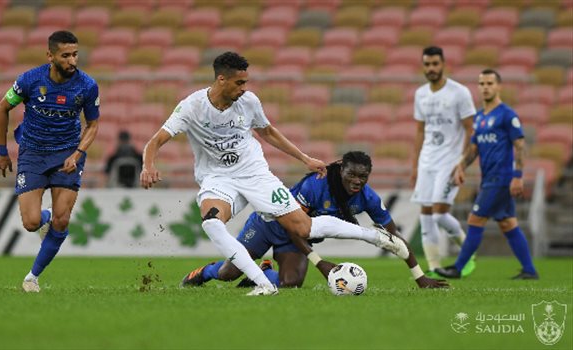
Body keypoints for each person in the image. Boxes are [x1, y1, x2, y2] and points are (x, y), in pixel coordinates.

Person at [140, 52, 410, 296]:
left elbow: (267, 132)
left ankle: (374, 236)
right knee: (212, 222)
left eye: (246, 82)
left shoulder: (249, 102)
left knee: (304, 227)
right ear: (221, 80)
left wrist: (304, 158)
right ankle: (264, 284)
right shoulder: (191, 106)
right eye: (239, 83)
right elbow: (155, 141)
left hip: (256, 174)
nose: (244, 88)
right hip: (218, 178)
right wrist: (148, 165)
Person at [180, 151, 449, 289]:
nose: (357, 181)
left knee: (290, 284)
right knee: (229, 274)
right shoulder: (316, 186)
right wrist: (319, 263)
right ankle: (205, 272)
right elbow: (294, 225)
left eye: (363, 177)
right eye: (352, 174)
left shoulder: (367, 198)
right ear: (341, 169)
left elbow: (394, 237)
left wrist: (420, 276)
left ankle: (263, 272)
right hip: (270, 225)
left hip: (298, 237)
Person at [0, 31, 100, 292]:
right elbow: (2, 108)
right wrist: (2, 151)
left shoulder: (87, 85)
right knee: (31, 223)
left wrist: (77, 154)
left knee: (62, 222)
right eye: (66, 56)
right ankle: (46, 218)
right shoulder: (30, 80)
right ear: (50, 56)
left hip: (67, 155)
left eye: (75, 54)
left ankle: (32, 277)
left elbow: (93, 124)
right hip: (32, 153)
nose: (72, 61)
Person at [435, 69, 539, 280]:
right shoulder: (480, 117)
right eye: (482, 84)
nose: (485, 87)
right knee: (508, 223)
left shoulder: (507, 114)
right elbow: (474, 149)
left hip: (500, 179)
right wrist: (461, 166)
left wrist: (518, 176)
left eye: (490, 83)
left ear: (499, 86)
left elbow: (519, 145)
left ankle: (458, 268)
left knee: (475, 220)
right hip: (489, 179)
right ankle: (529, 270)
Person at [411, 46, 477, 277]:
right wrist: (415, 165)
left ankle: (468, 251)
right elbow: (420, 131)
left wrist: (462, 163)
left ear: (443, 64)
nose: (431, 68)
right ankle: (435, 266)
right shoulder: (421, 94)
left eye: (435, 64)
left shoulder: (459, 93)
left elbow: (471, 130)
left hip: (449, 162)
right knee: (426, 214)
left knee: (439, 214)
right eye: (427, 64)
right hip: (427, 161)